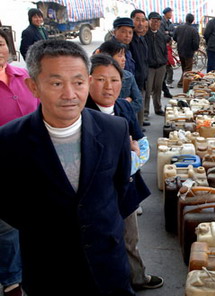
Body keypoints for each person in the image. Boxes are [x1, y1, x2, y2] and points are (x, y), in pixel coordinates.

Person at [0, 39, 135, 295]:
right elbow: (8, 205)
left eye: (79, 82)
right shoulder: (9, 141)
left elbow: (120, 189)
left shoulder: (114, 130)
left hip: (109, 266)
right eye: (56, 83)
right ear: (33, 87)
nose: (70, 94)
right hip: (49, 270)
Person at [85, 54, 163, 291]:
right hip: (96, 194)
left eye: (114, 80)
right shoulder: (81, 112)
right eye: (100, 79)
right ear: (88, 81)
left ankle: (137, 278)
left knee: (130, 238)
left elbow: (142, 144)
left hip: (126, 186)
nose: (108, 87)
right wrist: (127, 151)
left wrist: (130, 154)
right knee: (100, 242)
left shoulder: (123, 106)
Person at [0, 28, 40, 296]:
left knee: (34, 217)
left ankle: (32, 267)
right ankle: (12, 281)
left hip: (34, 156)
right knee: (6, 225)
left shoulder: (21, 74)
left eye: (1, 43)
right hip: (3, 163)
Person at [97, 41, 142, 117]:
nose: (124, 59)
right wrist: (124, 103)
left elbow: (138, 102)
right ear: (108, 57)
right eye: (120, 56)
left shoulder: (128, 76)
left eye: (124, 55)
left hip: (125, 120)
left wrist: (119, 109)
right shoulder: (96, 78)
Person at [144, 12, 167, 117]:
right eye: (153, 21)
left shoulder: (161, 34)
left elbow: (165, 50)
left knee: (158, 89)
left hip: (161, 66)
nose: (155, 23)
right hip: (149, 67)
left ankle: (158, 108)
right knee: (147, 90)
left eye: (157, 21)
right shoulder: (144, 34)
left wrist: (164, 61)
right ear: (149, 21)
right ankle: (145, 112)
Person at [129, 9, 149, 127]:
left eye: (142, 20)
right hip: (133, 81)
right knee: (133, 107)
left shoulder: (141, 39)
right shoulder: (130, 40)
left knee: (140, 102)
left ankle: (139, 125)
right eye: (137, 20)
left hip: (142, 79)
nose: (140, 24)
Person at [173, 13, 200, 88]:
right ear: (192, 21)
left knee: (184, 67)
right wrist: (195, 49)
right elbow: (196, 42)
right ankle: (181, 83)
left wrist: (179, 41)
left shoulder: (179, 28)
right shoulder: (193, 30)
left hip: (180, 49)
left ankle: (184, 81)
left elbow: (174, 37)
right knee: (188, 68)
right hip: (189, 51)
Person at [160, 7, 174, 95]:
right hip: (163, 46)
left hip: (168, 45)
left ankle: (164, 87)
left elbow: (173, 32)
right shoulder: (162, 22)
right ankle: (164, 87)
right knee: (166, 66)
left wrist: (168, 32)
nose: (171, 14)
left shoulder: (169, 22)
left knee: (167, 66)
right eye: (170, 12)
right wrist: (168, 33)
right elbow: (162, 35)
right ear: (166, 13)